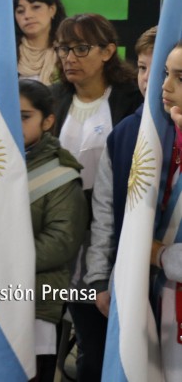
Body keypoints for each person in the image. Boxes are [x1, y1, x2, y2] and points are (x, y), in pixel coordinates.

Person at [51, 13, 141, 382]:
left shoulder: (131, 100)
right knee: (75, 339)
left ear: (107, 51)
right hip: (60, 234)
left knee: (102, 342)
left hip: (112, 233)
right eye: (63, 48)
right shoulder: (53, 99)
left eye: (81, 48)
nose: (69, 57)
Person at [85, 27, 164, 318]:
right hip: (131, 275)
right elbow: (104, 210)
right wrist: (99, 277)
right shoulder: (123, 134)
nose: (148, 78)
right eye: (143, 67)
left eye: (161, 70)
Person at [18, 79, 88, 382]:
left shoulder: (61, 174)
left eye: (24, 116)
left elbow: (61, 242)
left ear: (48, 121)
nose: (13, 121)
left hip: (35, 300)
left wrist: (1, 259)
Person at [151, 42, 182, 378]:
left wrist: (159, 255)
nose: (165, 86)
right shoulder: (168, 140)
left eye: (181, 76)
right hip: (166, 301)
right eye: (166, 73)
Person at [13, 0, 67, 85]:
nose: (27, 15)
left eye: (36, 7)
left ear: (52, 10)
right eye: (20, 11)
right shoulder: (7, 54)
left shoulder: (68, 51)